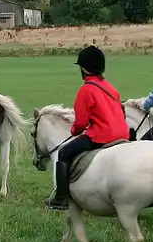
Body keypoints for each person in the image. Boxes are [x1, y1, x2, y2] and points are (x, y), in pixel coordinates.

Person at [45, 45, 130, 211]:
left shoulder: (86, 90)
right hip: (123, 133)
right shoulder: (111, 88)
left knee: (63, 153)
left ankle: (61, 198)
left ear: (83, 69)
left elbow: (81, 124)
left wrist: (74, 132)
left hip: (102, 136)